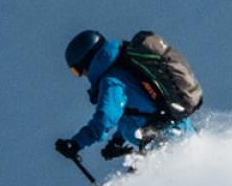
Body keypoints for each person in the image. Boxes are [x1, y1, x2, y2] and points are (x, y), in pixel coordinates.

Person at [55, 29, 197, 162]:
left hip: (167, 141)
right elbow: (138, 110)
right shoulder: (121, 69)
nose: (81, 75)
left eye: (76, 71)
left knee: (150, 183)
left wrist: (76, 143)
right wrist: (117, 140)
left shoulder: (111, 80)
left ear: (86, 61)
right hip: (175, 133)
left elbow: (107, 116)